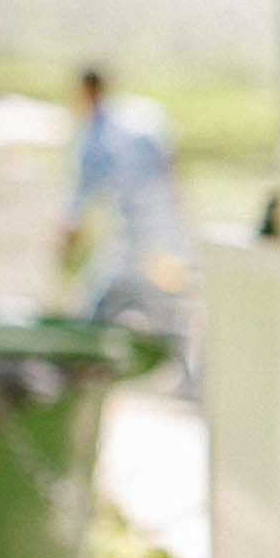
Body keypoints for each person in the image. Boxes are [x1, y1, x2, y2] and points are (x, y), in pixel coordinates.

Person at [62, 68, 196, 394]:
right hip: (164, 232)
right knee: (169, 308)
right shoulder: (144, 116)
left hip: (133, 237)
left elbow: (77, 202)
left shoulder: (95, 133)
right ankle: (189, 381)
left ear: (87, 91)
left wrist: (66, 245)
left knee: (96, 309)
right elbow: (172, 169)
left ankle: (74, 379)